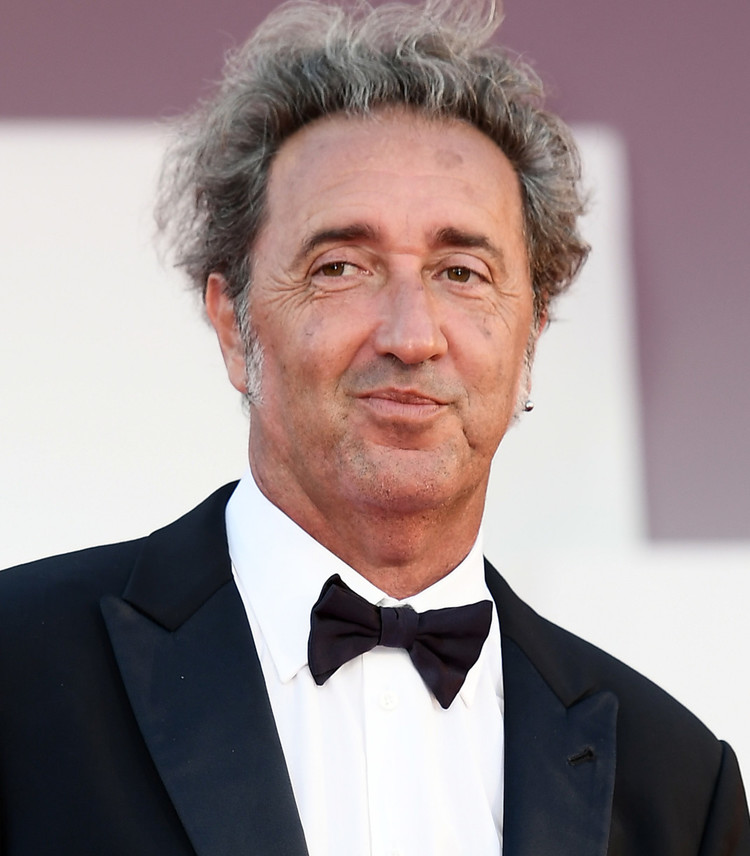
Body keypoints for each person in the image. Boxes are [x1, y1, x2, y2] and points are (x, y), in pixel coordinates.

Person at [0, 0, 748, 853]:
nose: (411, 335)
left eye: (462, 272)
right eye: (341, 267)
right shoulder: (19, 674)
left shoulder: (677, 788)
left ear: (530, 338)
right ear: (233, 327)